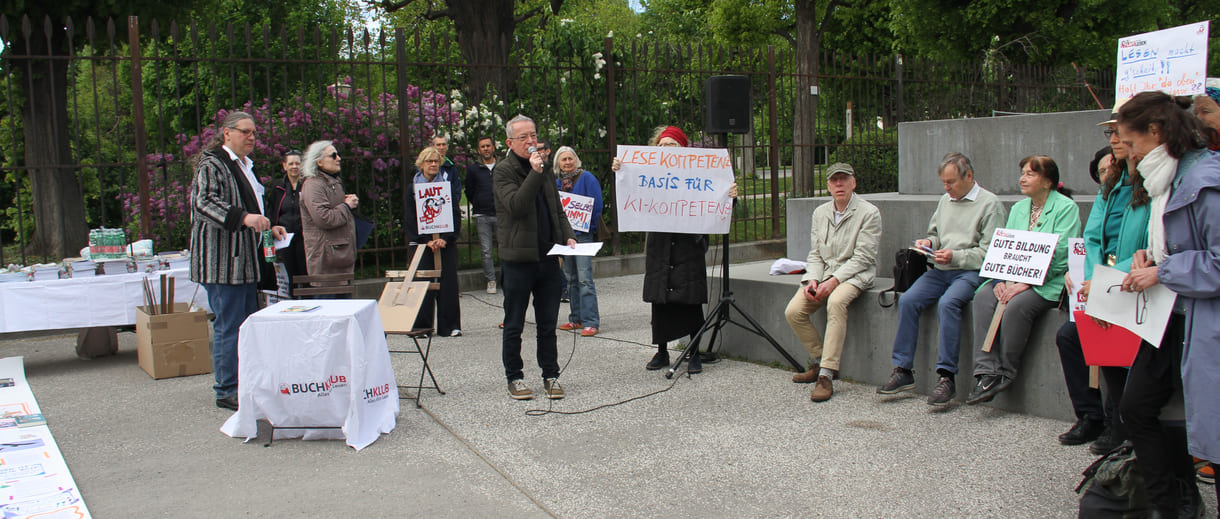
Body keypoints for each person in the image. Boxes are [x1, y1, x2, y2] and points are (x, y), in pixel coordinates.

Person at [1116, 90, 1218, 517]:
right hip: (1172, 314)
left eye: (1132, 142)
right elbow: (1177, 247)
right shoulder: (1168, 179)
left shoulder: (1205, 180)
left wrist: (1163, 271)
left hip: (1203, 320)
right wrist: (1151, 258)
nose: (1129, 153)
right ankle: (1170, 503)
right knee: (1136, 409)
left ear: (1156, 132)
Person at [877, 152, 1007, 406]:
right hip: (941, 269)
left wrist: (955, 256)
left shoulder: (990, 205)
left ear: (969, 176)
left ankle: (946, 376)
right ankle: (903, 369)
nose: (947, 188)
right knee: (908, 300)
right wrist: (929, 243)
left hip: (970, 271)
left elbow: (991, 252)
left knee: (948, 304)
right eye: (944, 183)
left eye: (951, 182)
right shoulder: (946, 200)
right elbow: (936, 234)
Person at [1054, 119, 1149, 453]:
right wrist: (1095, 277)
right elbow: (1093, 237)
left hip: (1137, 283)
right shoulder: (1111, 185)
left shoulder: (1153, 183)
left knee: (1115, 346)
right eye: (1111, 133)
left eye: (1120, 131)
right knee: (1071, 336)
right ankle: (1094, 418)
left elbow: (1150, 247)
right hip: (1106, 282)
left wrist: (1107, 279)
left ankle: (1119, 426)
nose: (1115, 138)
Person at [611, 125, 737, 374]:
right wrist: (621, 169)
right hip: (660, 246)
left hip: (688, 246)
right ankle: (662, 352)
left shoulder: (698, 170)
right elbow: (631, 186)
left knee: (690, 301)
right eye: (661, 145)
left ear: (683, 149)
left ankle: (694, 352)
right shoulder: (647, 169)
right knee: (660, 302)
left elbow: (715, 198)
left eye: (671, 145)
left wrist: (730, 194)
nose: (666, 149)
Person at [188, 111, 285, 411]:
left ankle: (244, 383)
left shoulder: (244, 166)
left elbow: (253, 208)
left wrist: (267, 226)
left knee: (245, 326)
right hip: (222, 263)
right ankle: (226, 389)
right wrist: (244, 218)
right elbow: (204, 203)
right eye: (245, 131)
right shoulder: (212, 164)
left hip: (244, 261)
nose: (251, 137)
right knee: (229, 326)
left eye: (254, 132)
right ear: (227, 133)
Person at [965, 156, 1079, 406]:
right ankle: (986, 371)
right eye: (1023, 173)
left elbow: (1061, 253)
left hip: (1047, 281)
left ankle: (1006, 370)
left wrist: (1029, 281)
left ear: (1047, 181)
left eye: (1030, 174)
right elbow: (1006, 247)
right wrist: (1000, 278)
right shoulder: (1018, 208)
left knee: (1017, 305)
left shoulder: (1066, 208)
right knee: (983, 296)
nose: (1022, 179)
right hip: (1013, 275)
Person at [783, 162, 881, 402]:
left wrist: (834, 281)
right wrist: (813, 280)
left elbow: (864, 257)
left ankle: (826, 375)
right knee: (794, 311)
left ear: (853, 183)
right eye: (834, 180)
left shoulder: (869, 213)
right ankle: (820, 360)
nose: (839, 184)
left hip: (855, 274)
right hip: (825, 273)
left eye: (844, 179)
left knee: (836, 302)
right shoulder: (820, 213)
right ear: (828, 186)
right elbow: (816, 254)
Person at [494, 115, 576, 400]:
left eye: (533, 135)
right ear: (510, 142)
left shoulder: (544, 168)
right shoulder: (503, 171)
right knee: (514, 323)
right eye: (523, 137)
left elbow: (557, 209)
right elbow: (517, 206)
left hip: (548, 257)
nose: (531, 141)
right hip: (518, 260)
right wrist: (534, 172)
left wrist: (568, 235)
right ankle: (514, 377)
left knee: (547, 323)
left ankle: (550, 375)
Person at [405, 146, 463, 337]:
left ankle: (450, 326)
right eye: (429, 161)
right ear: (421, 164)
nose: (433, 164)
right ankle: (422, 327)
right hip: (423, 244)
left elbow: (455, 214)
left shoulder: (446, 186)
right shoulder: (413, 188)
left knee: (448, 284)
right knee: (422, 283)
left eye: (436, 161)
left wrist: (446, 238)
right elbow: (410, 218)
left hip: (444, 243)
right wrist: (424, 240)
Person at [554, 146, 604, 337]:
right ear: (558, 163)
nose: (567, 162)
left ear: (576, 160)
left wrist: (586, 225)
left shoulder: (587, 178)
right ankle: (576, 318)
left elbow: (597, 204)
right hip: (566, 237)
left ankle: (591, 321)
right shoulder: (557, 182)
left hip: (582, 235)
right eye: (563, 159)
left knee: (584, 279)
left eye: (570, 158)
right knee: (571, 278)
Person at [299, 141, 358, 288]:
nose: (338, 158)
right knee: (328, 300)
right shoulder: (313, 185)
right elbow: (324, 218)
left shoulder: (333, 182)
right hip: (325, 262)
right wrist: (346, 206)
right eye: (333, 155)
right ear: (319, 161)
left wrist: (346, 203)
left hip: (339, 258)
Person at [265, 150, 307, 283]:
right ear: (284, 166)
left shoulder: (307, 186)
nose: (294, 167)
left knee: (306, 274)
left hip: (305, 238)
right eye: (291, 163)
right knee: (290, 276)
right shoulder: (278, 188)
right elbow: (272, 211)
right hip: (285, 238)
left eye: (297, 163)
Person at [466, 136, 499, 294]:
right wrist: (479, 202)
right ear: (479, 150)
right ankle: (491, 280)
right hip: (482, 214)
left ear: (493, 147)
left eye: (488, 145)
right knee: (486, 250)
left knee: (505, 247)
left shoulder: (502, 166)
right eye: (482, 146)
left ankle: (508, 279)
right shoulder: (473, 169)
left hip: (501, 213)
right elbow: (469, 191)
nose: (486, 149)